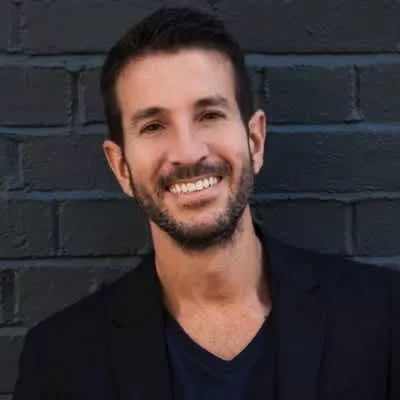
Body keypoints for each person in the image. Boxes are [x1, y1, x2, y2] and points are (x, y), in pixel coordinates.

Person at [13, 6, 400, 400]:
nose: (188, 152)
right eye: (153, 126)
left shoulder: (382, 316)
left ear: (255, 141)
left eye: (209, 115)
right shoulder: (60, 363)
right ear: (121, 167)